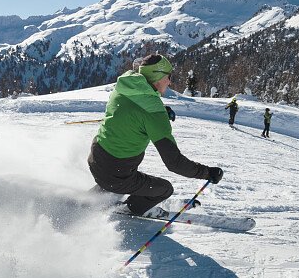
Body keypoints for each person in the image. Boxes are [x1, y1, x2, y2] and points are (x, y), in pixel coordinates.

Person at [88, 53, 224, 217]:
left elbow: (133, 110)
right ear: (158, 78)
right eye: (168, 76)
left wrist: (160, 112)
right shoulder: (154, 112)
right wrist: (208, 173)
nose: (170, 81)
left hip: (96, 158)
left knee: (115, 175)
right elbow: (174, 163)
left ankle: (94, 197)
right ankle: (128, 210)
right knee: (164, 189)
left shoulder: (125, 85)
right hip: (116, 175)